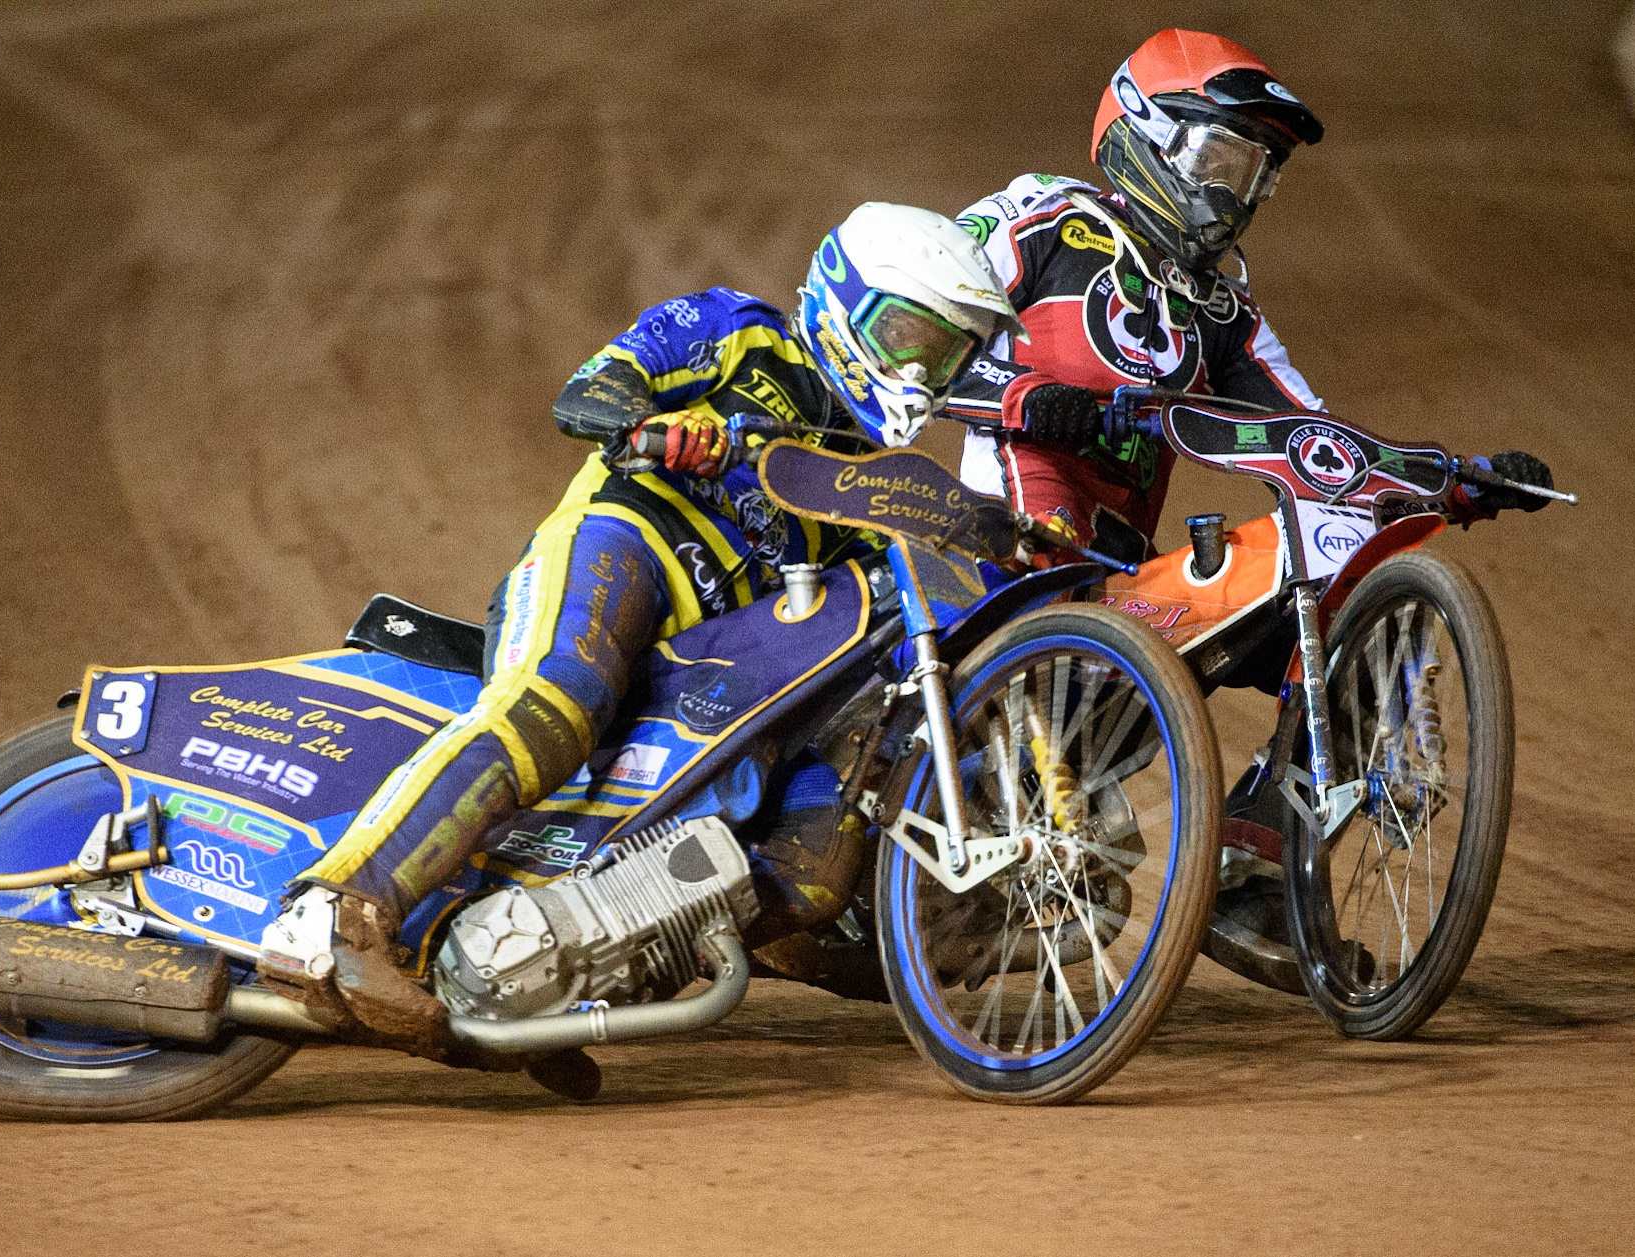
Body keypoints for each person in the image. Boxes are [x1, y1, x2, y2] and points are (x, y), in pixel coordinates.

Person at [256, 203, 1020, 1067]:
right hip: (624, 546)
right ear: (848, 298)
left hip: (721, 665)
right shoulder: (741, 332)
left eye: (947, 352)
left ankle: (568, 965)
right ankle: (332, 911)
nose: (921, 371)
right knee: (560, 698)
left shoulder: (877, 478)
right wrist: (663, 426)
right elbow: (589, 391)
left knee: (816, 862)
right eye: (910, 336)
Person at [944, 28, 1550, 564]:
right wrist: (1031, 399)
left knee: (1272, 606)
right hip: (1010, 522)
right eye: (1219, 163)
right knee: (1054, 568)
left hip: (1121, 559)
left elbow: (1314, 441)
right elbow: (912, 331)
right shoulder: (1043, 216)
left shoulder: (1225, 311)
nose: (1236, 198)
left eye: (1256, 177)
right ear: (1149, 132)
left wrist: (1456, 484)